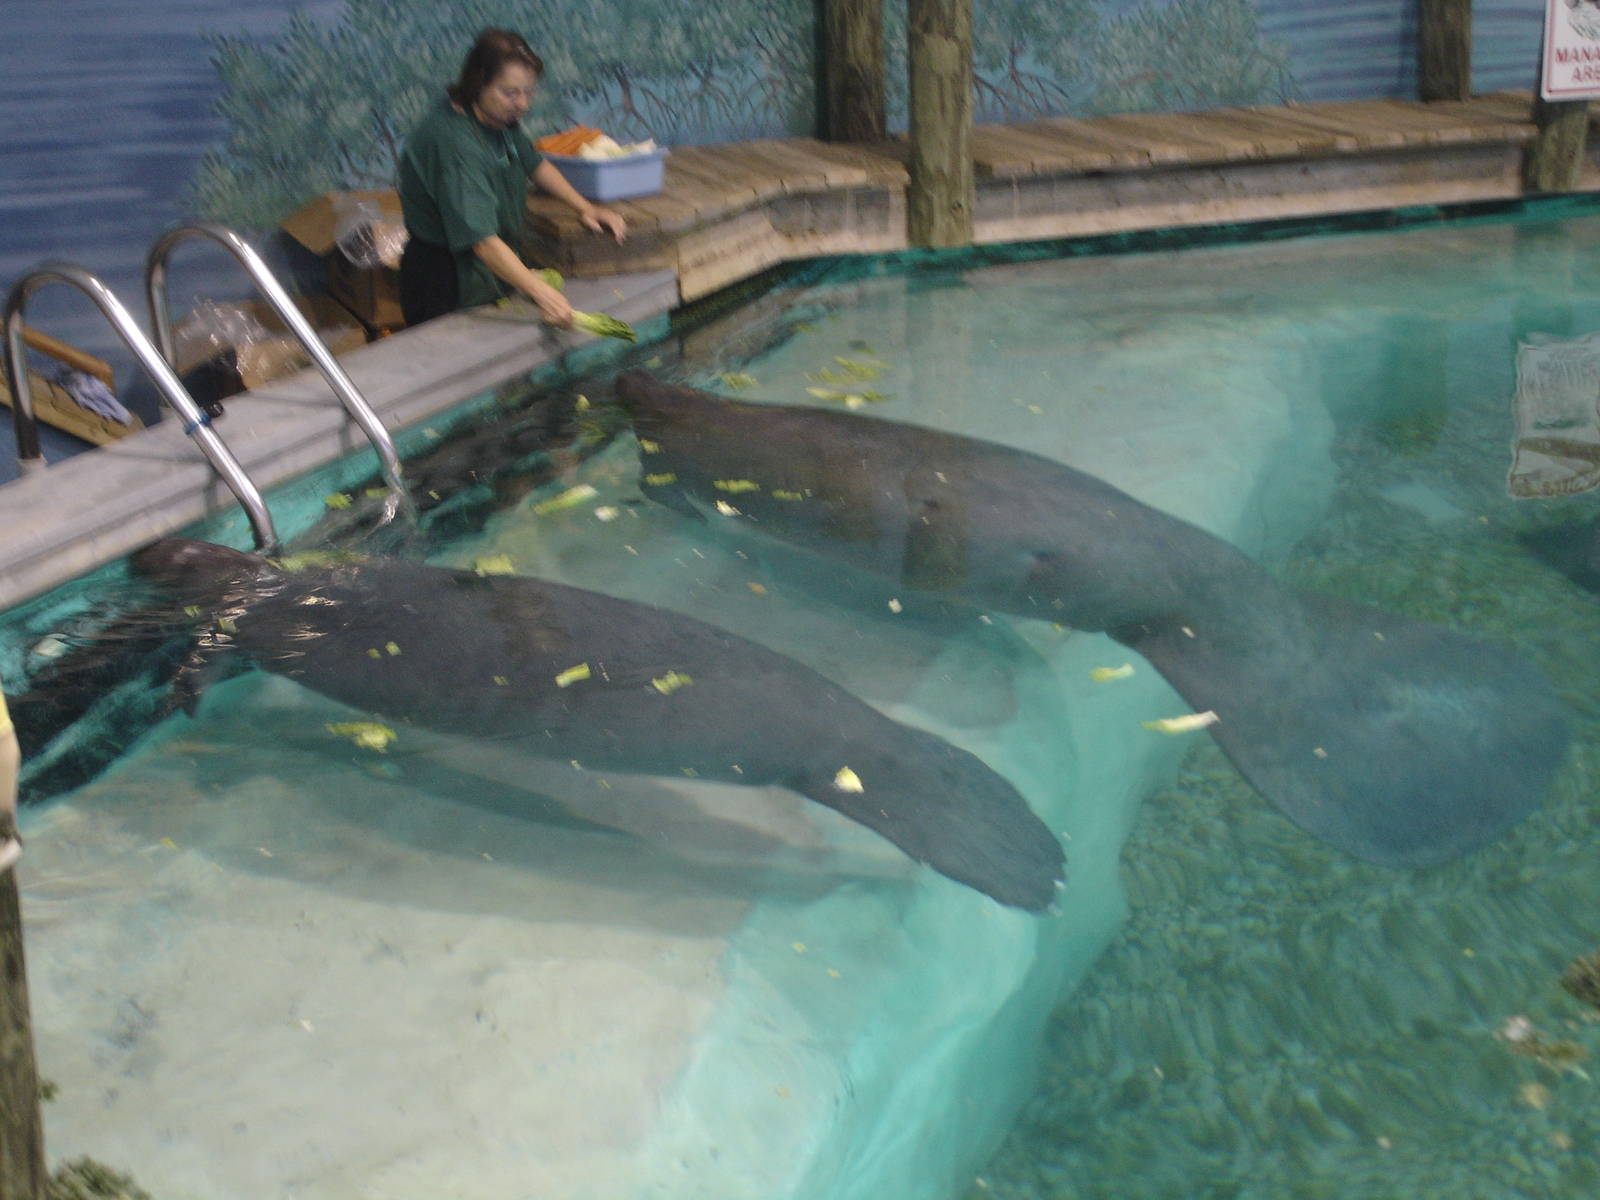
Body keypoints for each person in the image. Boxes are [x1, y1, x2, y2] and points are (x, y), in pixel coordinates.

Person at [396, 28, 627, 329]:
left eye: (528, 92)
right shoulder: (455, 145)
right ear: (478, 84)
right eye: (510, 92)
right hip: (443, 279)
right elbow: (481, 242)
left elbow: (533, 164)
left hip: (483, 269)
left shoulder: (498, 118)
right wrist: (540, 291)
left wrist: (585, 207)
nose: (522, 104)